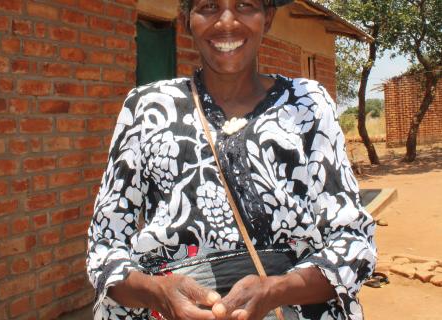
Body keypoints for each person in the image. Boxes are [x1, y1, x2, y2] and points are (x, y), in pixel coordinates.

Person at [86, 0, 377, 319]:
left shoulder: (307, 105)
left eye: (245, 5)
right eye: (209, 6)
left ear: (267, 17)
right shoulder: (147, 109)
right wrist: (159, 293)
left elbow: (352, 241)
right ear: (186, 20)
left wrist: (275, 290)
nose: (227, 22)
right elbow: (104, 245)